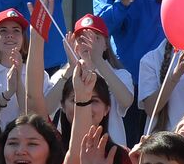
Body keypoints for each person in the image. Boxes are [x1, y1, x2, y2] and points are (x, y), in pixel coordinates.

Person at [46, 14, 135, 147]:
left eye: (95, 38)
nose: (88, 43)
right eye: (82, 39)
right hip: (71, 150)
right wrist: (71, 69)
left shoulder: (121, 75)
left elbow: (126, 101)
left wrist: (98, 61)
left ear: (106, 44)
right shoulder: (62, 74)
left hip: (109, 149)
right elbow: (46, 108)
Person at [0, 9, 49, 126]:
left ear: (23, 38)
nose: (10, 35)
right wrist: (7, 94)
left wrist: (19, 83)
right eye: (3, 30)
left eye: (16, 30)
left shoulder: (40, 75)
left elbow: (41, 116)